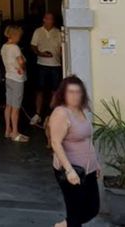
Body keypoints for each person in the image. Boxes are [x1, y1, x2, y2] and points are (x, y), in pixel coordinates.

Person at [49, 75, 100, 227]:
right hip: (71, 170)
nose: (75, 96)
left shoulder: (82, 110)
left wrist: (96, 163)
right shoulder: (61, 113)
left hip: (88, 169)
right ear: (63, 94)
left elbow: (87, 140)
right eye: (70, 92)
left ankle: (65, 224)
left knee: (92, 208)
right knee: (75, 212)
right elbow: (55, 143)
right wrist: (69, 170)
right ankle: (70, 223)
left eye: (78, 92)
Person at [30, 12, 62, 126]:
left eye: (51, 19)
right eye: (47, 19)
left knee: (55, 90)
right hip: (41, 63)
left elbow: (63, 47)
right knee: (39, 90)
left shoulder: (58, 32)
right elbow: (33, 45)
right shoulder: (38, 31)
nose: (49, 21)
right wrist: (40, 53)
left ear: (53, 20)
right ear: (43, 19)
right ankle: (38, 114)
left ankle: (51, 114)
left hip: (56, 64)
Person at [0, 25, 29, 142]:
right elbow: (21, 62)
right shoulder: (15, 48)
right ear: (15, 35)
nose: (20, 38)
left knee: (8, 105)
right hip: (17, 78)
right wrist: (23, 68)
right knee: (16, 108)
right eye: (19, 36)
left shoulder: (4, 47)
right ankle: (15, 133)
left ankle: (8, 130)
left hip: (8, 77)